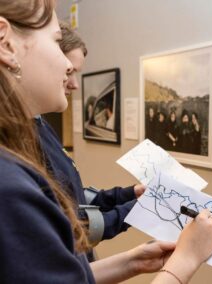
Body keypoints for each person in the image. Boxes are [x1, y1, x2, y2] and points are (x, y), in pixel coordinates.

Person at [0, 1, 212, 283]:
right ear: (5, 44)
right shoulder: (9, 187)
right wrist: (186, 259)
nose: (68, 67)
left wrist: (132, 262)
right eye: (56, 42)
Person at [35, 21, 145, 261]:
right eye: (69, 71)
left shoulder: (39, 124)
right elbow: (71, 228)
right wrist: (138, 210)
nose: (74, 84)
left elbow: (71, 193)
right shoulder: (21, 139)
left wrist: (126, 195)